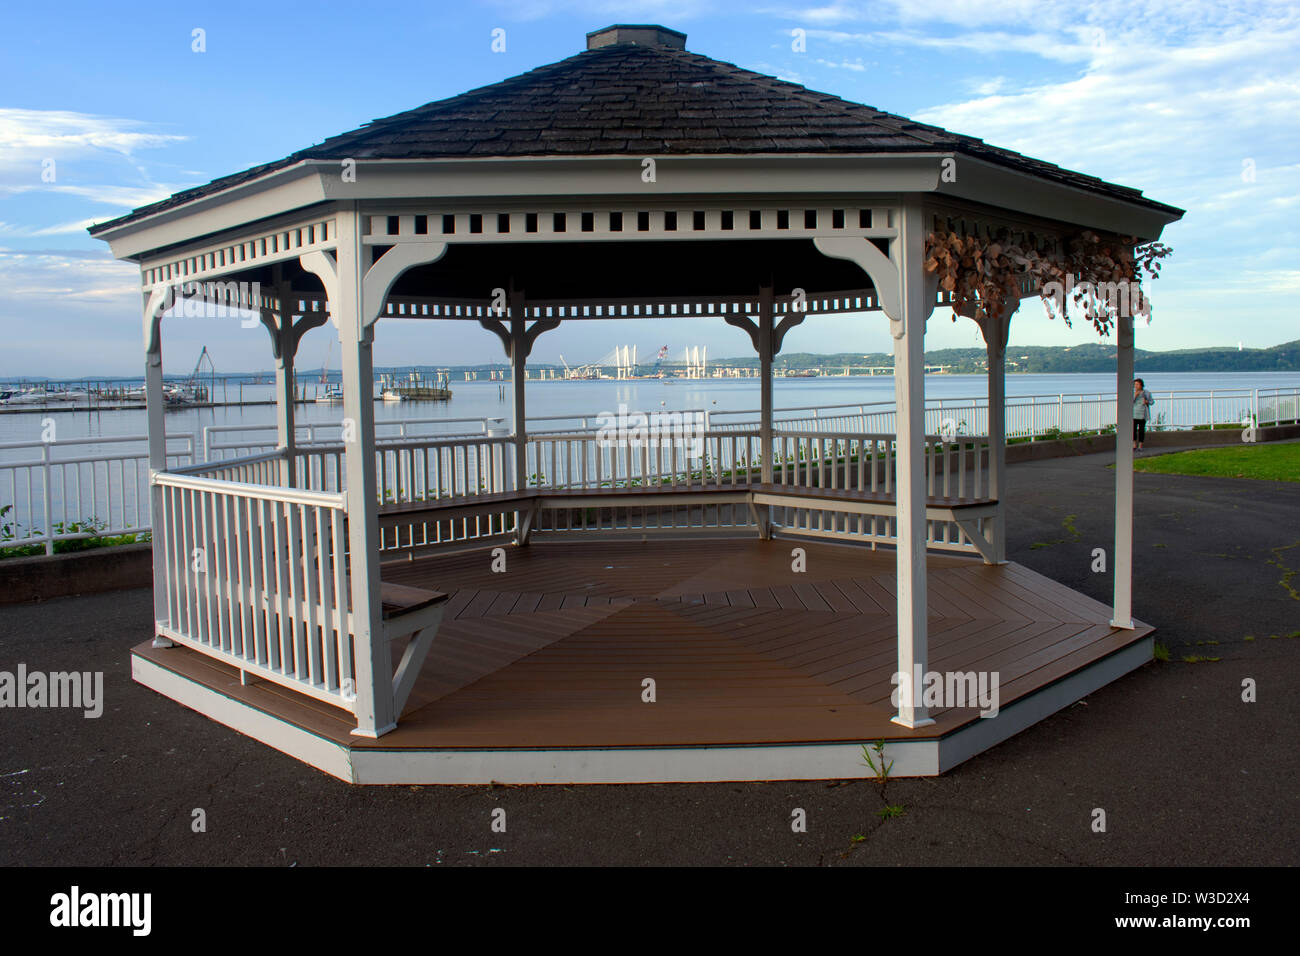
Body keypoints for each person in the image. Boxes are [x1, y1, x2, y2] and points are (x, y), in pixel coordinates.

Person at [1133, 378, 1154, 451]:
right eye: (1135, 384)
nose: (1136, 386)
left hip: (1143, 413)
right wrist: (1135, 395)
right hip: (1134, 413)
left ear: (1141, 385)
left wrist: (1147, 402)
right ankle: (1134, 445)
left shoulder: (1146, 393)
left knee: (1141, 430)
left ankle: (1140, 446)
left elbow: (1152, 402)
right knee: (1133, 430)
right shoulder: (1132, 393)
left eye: (1137, 384)